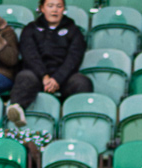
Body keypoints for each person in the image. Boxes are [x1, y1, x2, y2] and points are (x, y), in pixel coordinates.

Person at [6, 0, 88, 128]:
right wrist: (44, 76)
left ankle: (77, 121)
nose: (55, 10)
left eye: (59, 6)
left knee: (82, 82)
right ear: (42, 9)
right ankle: (17, 110)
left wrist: (57, 79)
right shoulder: (30, 29)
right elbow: (30, 55)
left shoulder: (74, 31)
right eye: (50, 6)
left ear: (63, 9)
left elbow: (74, 58)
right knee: (25, 76)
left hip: (63, 77)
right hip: (37, 75)